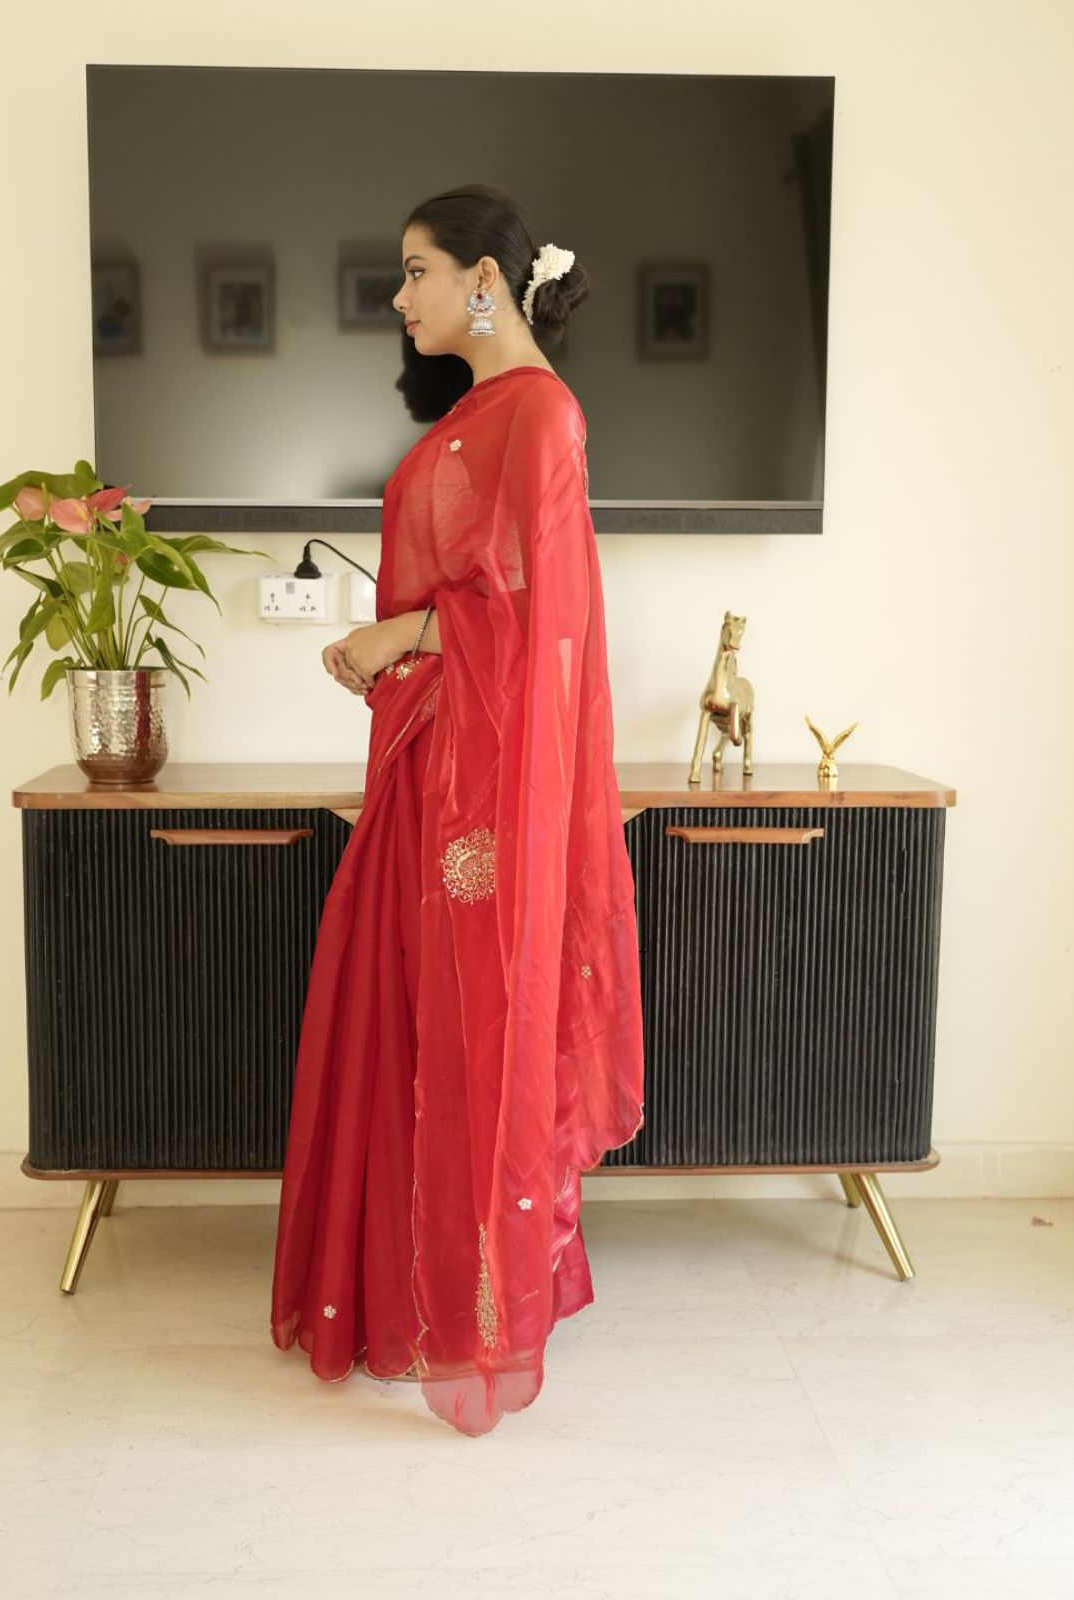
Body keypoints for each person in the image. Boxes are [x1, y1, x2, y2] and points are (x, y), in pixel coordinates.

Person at [270, 184, 645, 1437]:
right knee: (406, 1018)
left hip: (485, 792)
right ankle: (403, 1295)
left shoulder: (539, 413)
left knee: (477, 1032)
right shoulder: (481, 414)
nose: (401, 295)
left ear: (486, 279)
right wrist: (394, 650)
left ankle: (478, 1313)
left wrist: (402, 634)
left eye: (417, 269)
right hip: (428, 767)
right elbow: (484, 598)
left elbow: (544, 622)